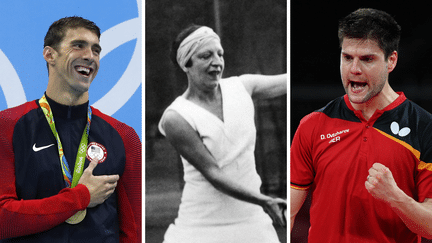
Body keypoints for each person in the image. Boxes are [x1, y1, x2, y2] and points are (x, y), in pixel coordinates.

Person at [291, 8, 432, 242]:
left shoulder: (424, 127)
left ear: (391, 61)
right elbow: (290, 214)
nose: (354, 69)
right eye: (347, 57)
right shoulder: (313, 125)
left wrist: (395, 196)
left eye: (367, 59)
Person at [0, 16, 141, 242]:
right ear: (49, 54)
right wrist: (80, 197)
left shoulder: (124, 136)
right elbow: (3, 219)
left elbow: (134, 230)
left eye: (96, 50)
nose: (90, 56)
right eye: (78, 45)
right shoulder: (7, 125)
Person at [158, 24, 287, 243]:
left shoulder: (243, 86)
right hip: (201, 227)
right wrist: (265, 200)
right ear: (186, 64)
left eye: (220, 54)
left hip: (252, 221)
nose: (217, 62)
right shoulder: (176, 117)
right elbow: (213, 173)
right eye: (206, 56)